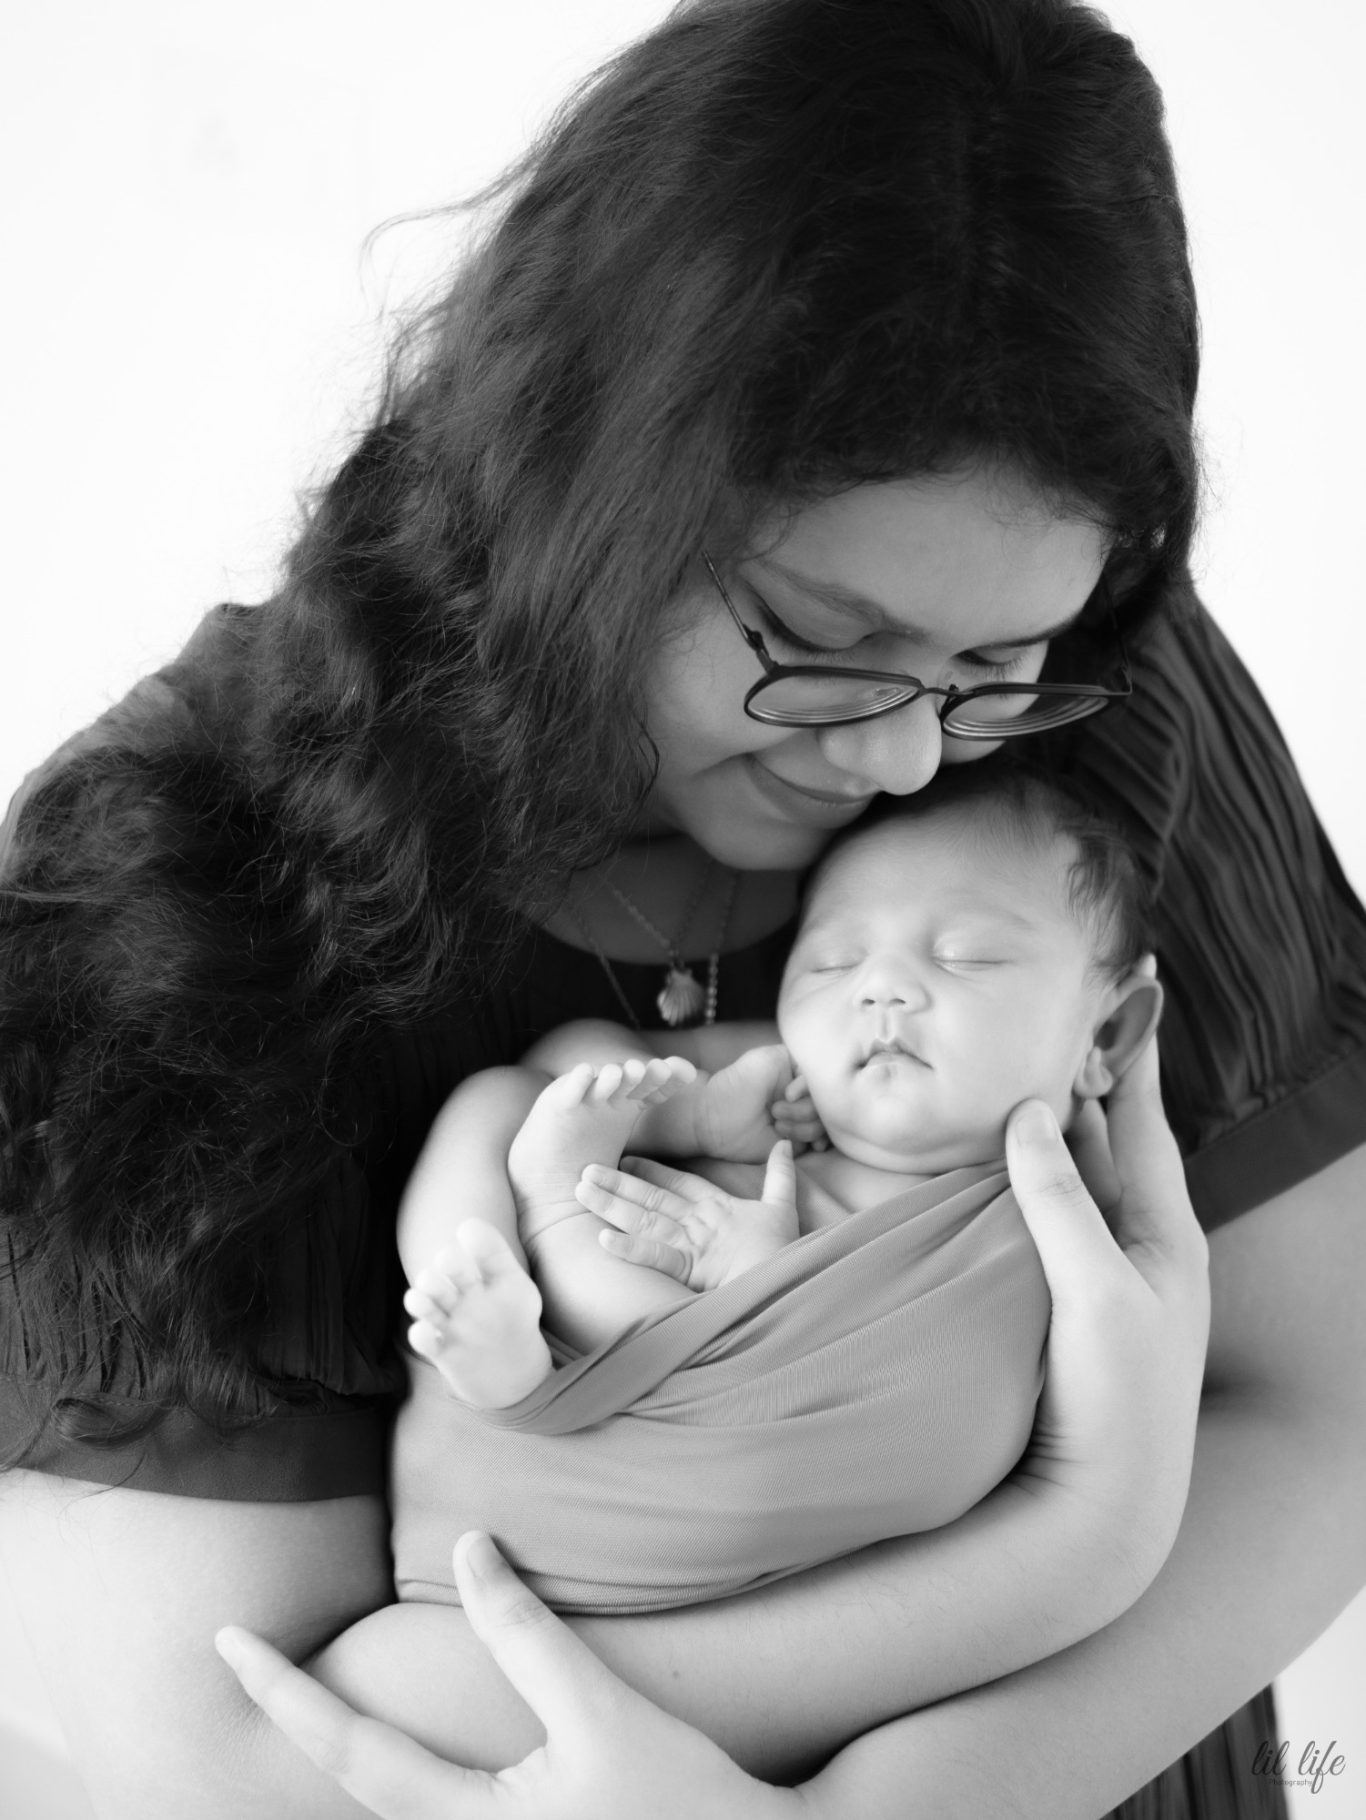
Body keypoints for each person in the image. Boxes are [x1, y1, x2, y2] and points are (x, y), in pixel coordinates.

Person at [0, 2, 1362, 1817]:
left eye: (994, 656)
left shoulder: (1093, 726)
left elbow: (1326, 1403)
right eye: (817, 644)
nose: (901, 757)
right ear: (578, 482)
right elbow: (246, 1739)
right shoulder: (195, 874)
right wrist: (1078, 1539)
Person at [390, 769, 1164, 1623]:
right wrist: (693, 1119)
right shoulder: (783, 1077)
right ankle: (495, 1287)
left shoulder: (1075, 1219)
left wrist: (764, 1277)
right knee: (497, 1104)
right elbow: (578, 1059)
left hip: (749, 1483)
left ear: (1109, 1034)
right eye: (833, 960)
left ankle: (546, 1269)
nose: (879, 987)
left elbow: (960, 1416)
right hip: (560, 1393)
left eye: (964, 955)